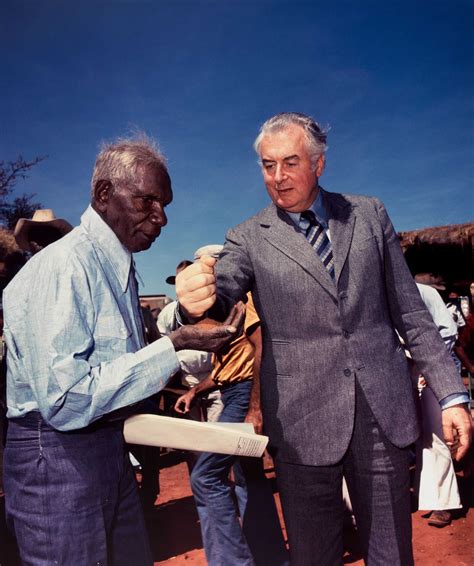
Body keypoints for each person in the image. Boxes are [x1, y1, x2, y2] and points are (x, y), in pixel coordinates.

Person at [175, 112, 472, 565]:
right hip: (300, 421)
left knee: (390, 553)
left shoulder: (369, 215)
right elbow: (223, 298)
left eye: (290, 162)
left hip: (381, 413)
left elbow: (411, 313)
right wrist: (195, 301)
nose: (277, 177)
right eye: (267, 165)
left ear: (319, 164)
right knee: (315, 555)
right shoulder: (247, 237)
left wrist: (451, 396)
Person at [2, 135, 244, 566]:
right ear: (103, 195)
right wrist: (175, 346)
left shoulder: (117, 268)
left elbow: (121, 365)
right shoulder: (65, 265)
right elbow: (66, 399)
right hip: (57, 458)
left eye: (165, 204)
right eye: (148, 201)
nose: (162, 217)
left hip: (108, 448)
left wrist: (184, 329)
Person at [175, 246, 288, 566]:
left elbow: (259, 347)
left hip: (242, 398)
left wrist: (255, 406)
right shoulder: (219, 309)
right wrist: (197, 390)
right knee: (249, 479)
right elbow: (227, 369)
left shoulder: (240, 300)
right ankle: (271, 557)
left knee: (205, 476)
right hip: (233, 392)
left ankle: (234, 561)